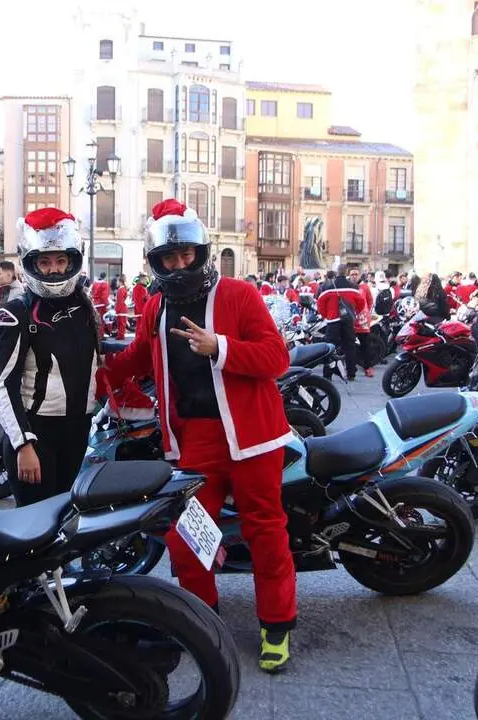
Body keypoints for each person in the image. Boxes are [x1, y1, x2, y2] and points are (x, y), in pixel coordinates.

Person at [98, 198, 297, 673]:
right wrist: (91, 374)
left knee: (264, 530)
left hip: (253, 435)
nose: (179, 263)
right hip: (196, 440)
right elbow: (136, 360)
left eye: (186, 254)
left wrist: (220, 348)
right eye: (169, 257)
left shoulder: (238, 295)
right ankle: (201, 617)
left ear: (200, 252)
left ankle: (276, 625)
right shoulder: (155, 306)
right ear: (157, 262)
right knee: (187, 536)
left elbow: (277, 358)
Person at [0, 208, 100, 506]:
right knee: (35, 527)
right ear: (31, 263)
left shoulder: (84, 308)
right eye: (45, 261)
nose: (54, 269)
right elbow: (2, 385)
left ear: (73, 260)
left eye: (61, 260)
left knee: (63, 520)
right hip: (36, 434)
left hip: (78, 430)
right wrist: (23, 443)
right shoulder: (17, 311)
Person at [317, 270, 365, 381]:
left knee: (330, 348)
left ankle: (327, 375)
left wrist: (326, 315)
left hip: (332, 321)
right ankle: (351, 373)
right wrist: (354, 312)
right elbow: (361, 303)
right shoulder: (353, 287)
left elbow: (320, 303)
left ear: (336, 274)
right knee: (350, 347)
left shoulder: (327, 286)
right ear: (346, 273)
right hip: (348, 321)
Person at [348, 267, 376, 377]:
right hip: (350, 321)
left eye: (356, 274)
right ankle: (351, 369)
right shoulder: (348, 287)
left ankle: (368, 367)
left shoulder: (365, 287)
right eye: (352, 274)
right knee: (350, 346)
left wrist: (365, 312)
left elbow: (370, 301)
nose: (354, 276)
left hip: (363, 321)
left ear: (360, 275)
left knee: (365, 346)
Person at [113, 274, 129, 340]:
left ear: (120, 281)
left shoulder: (121, 289)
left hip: (121, 308)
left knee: (121, 323)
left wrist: (116, 310)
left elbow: (119, 301)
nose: (116, 282)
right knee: (121, 323)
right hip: (123, 308)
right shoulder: (123, 289)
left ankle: (121, 336)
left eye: (117, 281)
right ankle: (120, 335)